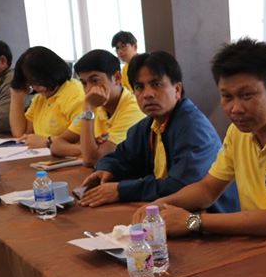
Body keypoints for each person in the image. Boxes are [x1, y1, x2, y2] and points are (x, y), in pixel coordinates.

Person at [131, 38, 266, 260]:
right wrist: (161, 204)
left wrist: (193, 221)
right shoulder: (238, 132)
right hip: (258, 249)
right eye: (227, 97)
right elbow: (208, 189)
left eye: (247, 95)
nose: (236, 108)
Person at [80, 51, 238, 211]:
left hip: (205, 219)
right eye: (139, 87)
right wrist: (108, 169)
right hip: (168, 213)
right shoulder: (148, 126)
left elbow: (180, 186)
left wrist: (121, 190)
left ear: (177, 90)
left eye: (156, 84)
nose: (147, 94)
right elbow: (120, 157)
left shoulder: (193, 128)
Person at [50, 49, 146, 166]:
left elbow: (92, 159)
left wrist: (89, 108)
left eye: (95, 81)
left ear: (117, 78)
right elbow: (56, 145)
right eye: (84, 83)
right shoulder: (96, 105)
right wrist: (86, 148)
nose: (88, 89)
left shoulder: (133, 108)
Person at [9, 46, 84, 148]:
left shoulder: (75, 94)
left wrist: (47, 142)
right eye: (31, 83)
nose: (35, 88)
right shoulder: (41, 98)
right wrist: (16, 95)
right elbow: (20, 134)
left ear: (52, 72)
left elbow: (82, 137)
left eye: (39, 81)